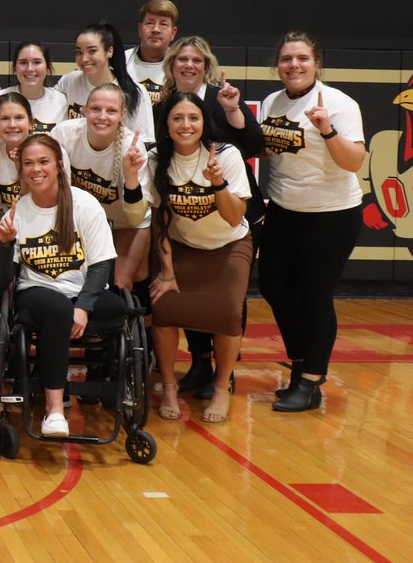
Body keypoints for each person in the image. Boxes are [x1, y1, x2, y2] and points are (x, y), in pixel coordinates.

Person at [258, 31, 365, 412]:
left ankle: (309, 380)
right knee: (273, 287)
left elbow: (353, 162)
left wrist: (326, 129)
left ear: (316, 63)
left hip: (331, 214)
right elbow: (271, 150)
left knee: (315, 296)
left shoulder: (339, 104)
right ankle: (302, 363)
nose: (294, 65)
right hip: (286, 209)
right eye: (287, 59)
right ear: (278, 65)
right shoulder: (272, 101)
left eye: (302, 58)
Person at [158, 35, 265, 398]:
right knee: (186, 302)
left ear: (208, 66)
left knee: (227, 304)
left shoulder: (221, 99)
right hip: (188, 228)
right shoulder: (163, 106)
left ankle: (225, 374)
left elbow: (254, 144)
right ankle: (200, 361)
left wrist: (233, 111)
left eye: (197, 60)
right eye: (181, 60)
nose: (189, 65)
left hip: (230, 214)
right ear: (171, 65)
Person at [0, 134, 120, 438]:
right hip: (37, 296)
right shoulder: (17, 212)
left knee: (118, 306)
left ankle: (112, 391)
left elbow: (102, 265)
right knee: (56, 309)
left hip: (83, 294)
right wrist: (5, 245)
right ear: (21, 171)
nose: (36, 169)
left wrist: (84, 307)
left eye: (43, 161)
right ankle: (54, 410)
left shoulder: (85, 204)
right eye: (28, 164)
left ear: (59, 165)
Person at [147, 92, 254, 423]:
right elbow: (159, 222)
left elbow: (236, 217)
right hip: (182, 246)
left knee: (227, 314)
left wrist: (218, 183)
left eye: (193, 118)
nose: (185, 125)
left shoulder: (227, 154)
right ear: (166, 125)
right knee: (163, 310)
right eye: (177, 118)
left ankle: (221, 387)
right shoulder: (156, 159)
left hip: (229, 245)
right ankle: (168, 386)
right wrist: (166, 271)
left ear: (204, 123)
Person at [50, 83, 149, 290]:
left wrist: (131, 176)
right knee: (68, 281)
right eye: (95, 109)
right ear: (84, 110)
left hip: (125, 224)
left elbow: (135, 217)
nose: (102, 116)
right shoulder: (64, 134)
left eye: (111, 111)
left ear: (122, 114)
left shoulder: (132, 147)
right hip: (79, 222)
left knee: (119, 284)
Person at [54, 22, 154, 144]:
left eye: (92, 51)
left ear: (109, 51)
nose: (84, 58)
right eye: (79, 52)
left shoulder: (135, 92)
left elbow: (143, 141)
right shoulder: (69, 81)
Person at [0, 41, 69, 135]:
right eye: (23, 63)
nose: (30, 68)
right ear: (14, 68)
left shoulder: (62, 102)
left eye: (37, 62)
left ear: (47, 68)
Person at [124, 0, 179, 105]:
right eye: (150, 23)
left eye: (163, 24)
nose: (156, 29)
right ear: (140, 29)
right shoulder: (121, 61)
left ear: (173, 32)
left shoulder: (181, 66)